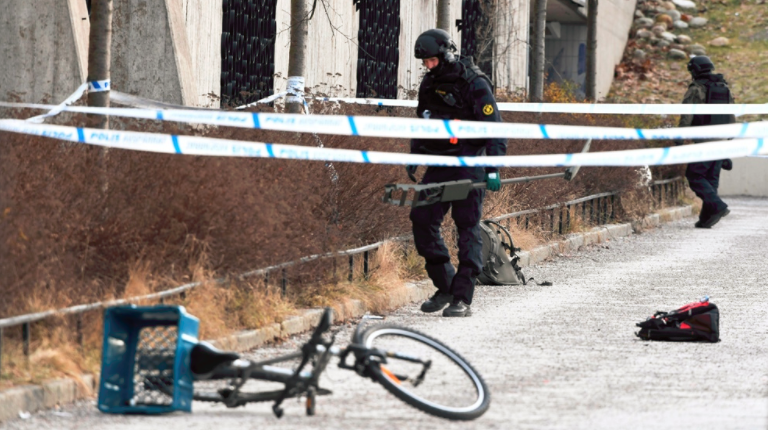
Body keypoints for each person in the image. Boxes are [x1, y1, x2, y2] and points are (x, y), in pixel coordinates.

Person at [406, 29, 507, 318]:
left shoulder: (474, 83)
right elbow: (424, 123)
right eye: (425, 62)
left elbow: (494, 128)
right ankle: (445, 285)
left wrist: (492, 168)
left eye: (432, 61)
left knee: (466, 228)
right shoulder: (429, 84)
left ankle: (462, 298)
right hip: (438, 164)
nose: (428, 66)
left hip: (468, 164)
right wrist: (415, 156)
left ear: (447, 54)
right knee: (421, 219)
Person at [677, 55, 734, 229]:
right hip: (722, 139)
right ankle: (707, 218)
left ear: (695, 71)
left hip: (704, 139)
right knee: (710, 179)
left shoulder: (697, 88)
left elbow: (687, 114)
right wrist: (730, 138)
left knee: (694, 176)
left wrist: (680, 136)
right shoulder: (724, 87)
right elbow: (731, 113)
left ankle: (718, 207)